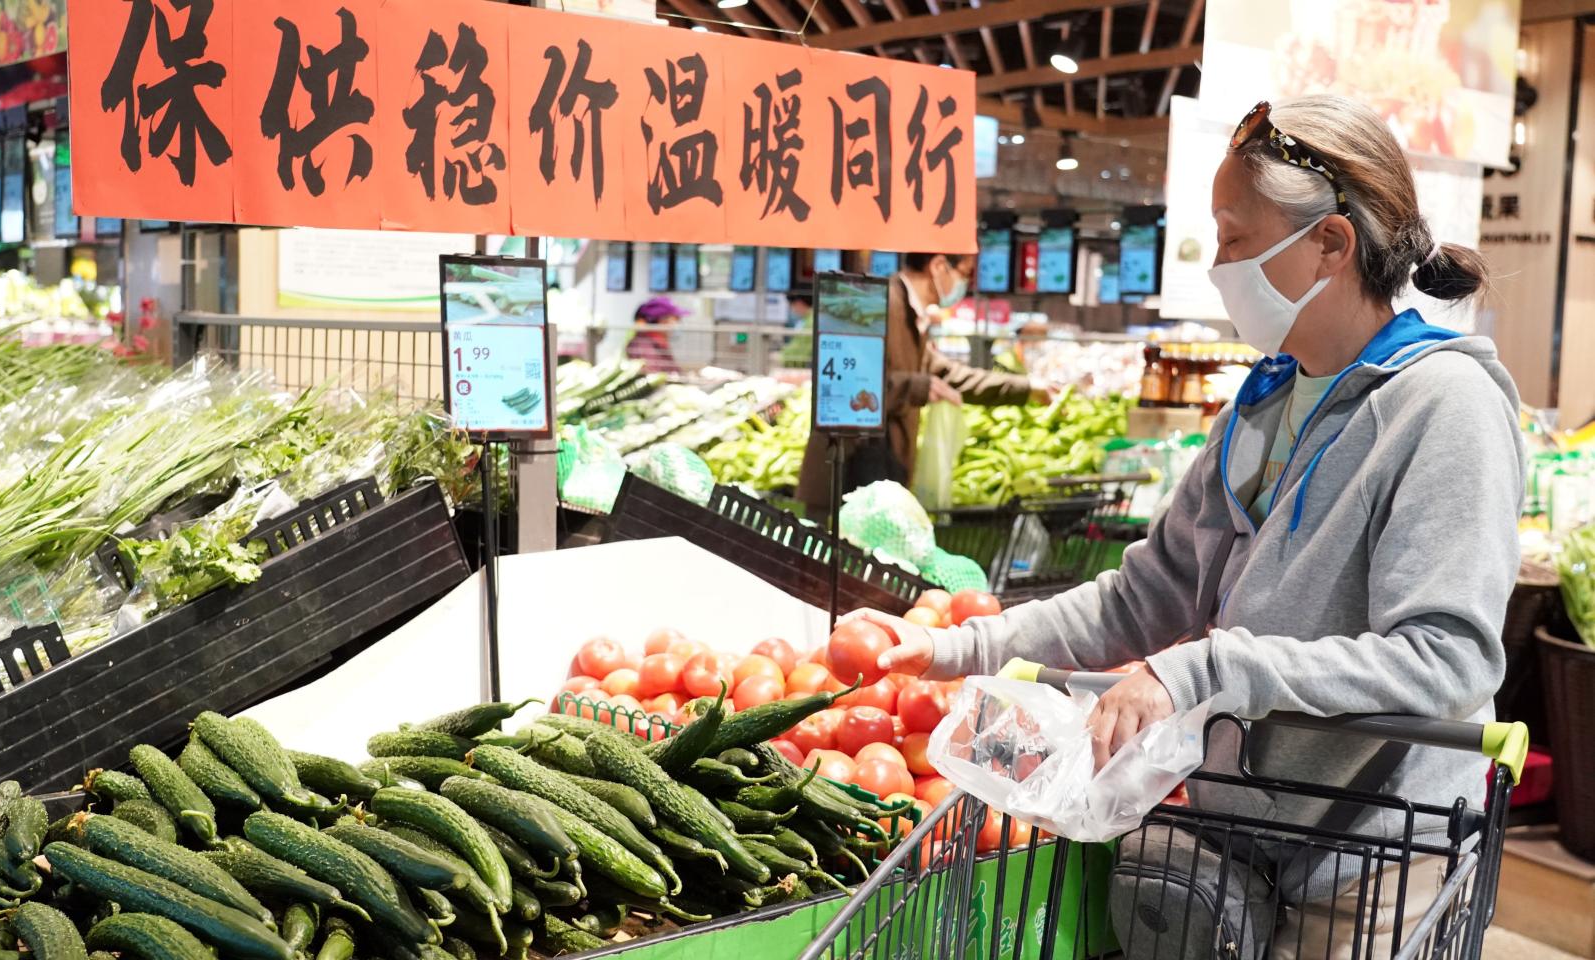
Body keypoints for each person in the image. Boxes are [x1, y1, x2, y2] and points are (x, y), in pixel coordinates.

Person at [851, 96, 1526, 957]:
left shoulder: (1444, 407)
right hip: (1246, 831)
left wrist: (1207, 667)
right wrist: (960, 648)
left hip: (1381, 848)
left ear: (1330, 244)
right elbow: (1144, 597)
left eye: (1236, 238)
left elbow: (1447, 656)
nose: (1219, 264)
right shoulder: (1261, 404)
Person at [796, 251, 1041, 515]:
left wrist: (1027, 388)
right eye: (965, 274)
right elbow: (844, 386)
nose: (965, 286)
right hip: (844, 480)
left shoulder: (912, 316)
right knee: (833, 555)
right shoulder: (871, 303)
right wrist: (919, 387)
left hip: (879, 478)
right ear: (938, 266)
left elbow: (946, 375)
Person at [625, 296, 686, 374]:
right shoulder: (642, 345)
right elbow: (654, 375)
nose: (677, 324)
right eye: (676, 319)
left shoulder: (659, 343)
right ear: (663, 321)